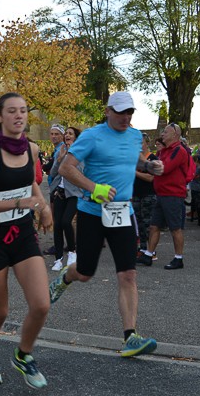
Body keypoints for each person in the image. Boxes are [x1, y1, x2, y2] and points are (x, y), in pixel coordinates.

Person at [49, 91, 162, 358]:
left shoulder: (134, 136)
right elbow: (66, 168)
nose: (125, 117)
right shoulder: (92, 136)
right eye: (120, 112)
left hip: (122, 211)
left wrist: (149, 165)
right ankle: (65, 277)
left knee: (128, 274)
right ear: (108, 111)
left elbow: (132, 158)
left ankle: (130, 337)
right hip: (92, 212)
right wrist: (94, 187)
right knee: (85, 272)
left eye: (129, 112)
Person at [0, 92, 52, 389]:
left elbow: (29, 181)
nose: (19, 116)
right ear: (0, 117)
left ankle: (23, 354)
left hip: (23, 235)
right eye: (12, 111)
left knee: (41, 304)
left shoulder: (32, 148)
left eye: (23, 111)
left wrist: (43, 207)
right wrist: (18, 203)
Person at [136, 123, 189, 270]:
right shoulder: (164, 151)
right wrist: (150, 165)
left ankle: (178, 258)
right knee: (154, 226)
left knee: (175, 228)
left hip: (173, 195)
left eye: (165, 132)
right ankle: (148, 255)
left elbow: (163, 168)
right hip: (161, 194)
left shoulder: (178, 150)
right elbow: (157, 168)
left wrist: (148, 164)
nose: (162, 134)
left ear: (175, 134)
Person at [49, 127, 82, 271]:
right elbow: (52, 173)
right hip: (60, 192)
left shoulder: (80, 152)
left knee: (66, 221)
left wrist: (70, 159)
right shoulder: (61, 151)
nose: (67, 135)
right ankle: (58, 259)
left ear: (76, 137)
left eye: (70, 134)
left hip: (74, 193)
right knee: (57, 225)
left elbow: (81, 172)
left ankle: (72, 252)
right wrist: (59, 159)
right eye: (66, 133)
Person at [132, 132, 158, 256]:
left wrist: (134, 172)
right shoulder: (134, 159)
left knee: (148, 223)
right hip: (136, 194)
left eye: (141, 143)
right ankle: (142, 249)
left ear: (147, 143)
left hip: (148, 194)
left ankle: (151, 250)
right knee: (139, 223)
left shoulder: (152, 158)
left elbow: (150, 178)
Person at [42, 124, 65, 255]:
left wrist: (47, 167)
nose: (54, 136)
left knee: (57, 219)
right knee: (61, 219)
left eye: (57, 134)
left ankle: (58, 246)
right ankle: (70, 244)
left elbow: (52, 169)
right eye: (52, 134)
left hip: (58, 187)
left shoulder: (61, 149)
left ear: (62, 135)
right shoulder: (57, 149)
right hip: (54, 185)